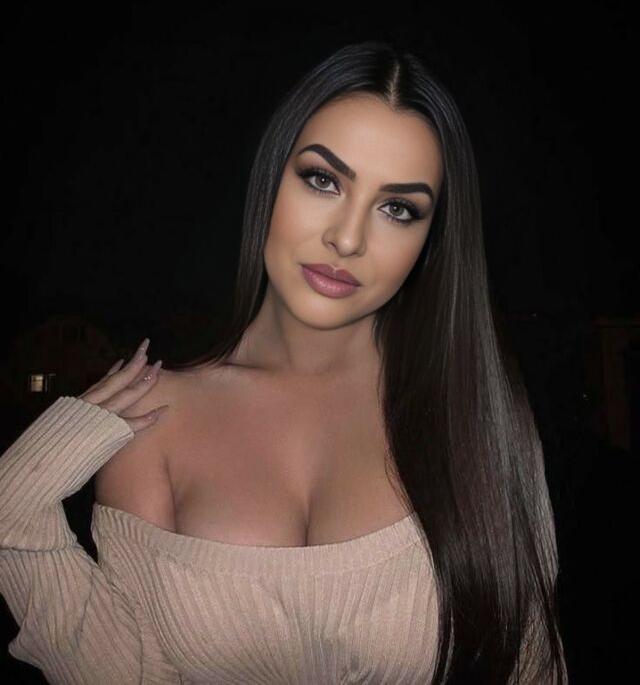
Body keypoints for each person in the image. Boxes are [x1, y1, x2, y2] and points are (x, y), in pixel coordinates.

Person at [0, 41, 568, 683]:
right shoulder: (155, 420)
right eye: (323, 180)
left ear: (429, 242)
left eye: (397, 209)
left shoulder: (474, 418)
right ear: (270, 179)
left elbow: (531, 665)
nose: (347, 238)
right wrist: (14, 502)